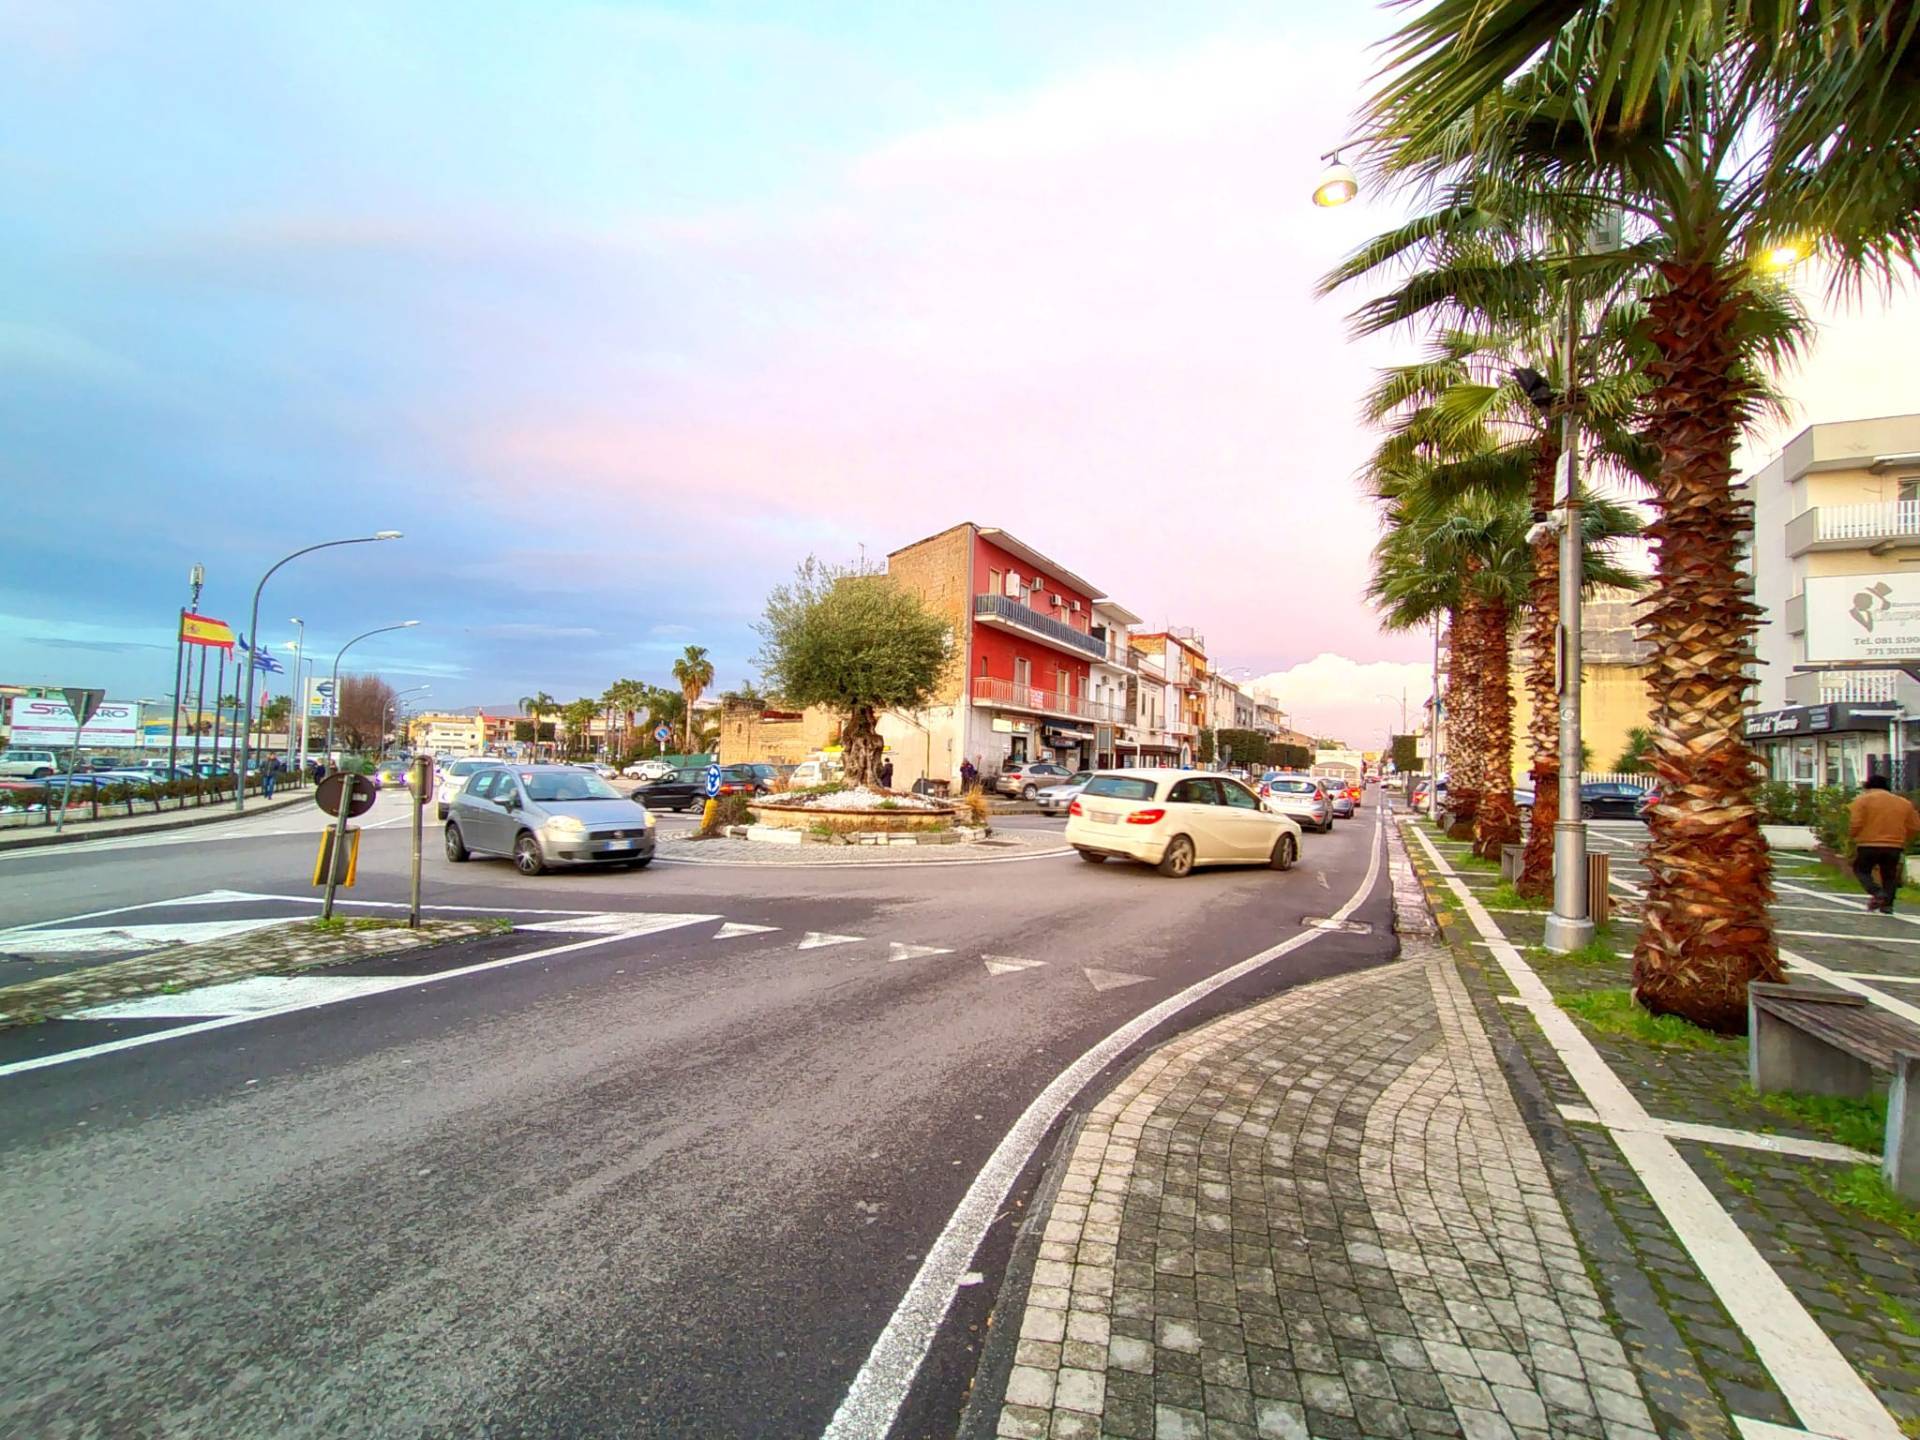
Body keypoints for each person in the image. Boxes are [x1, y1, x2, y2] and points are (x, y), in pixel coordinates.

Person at [1848, 774, 1920, 913]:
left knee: (1861, 870)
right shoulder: (1904, 803)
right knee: (1889, 874)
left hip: (1868, 844)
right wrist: (1904, 839)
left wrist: (1853, 836)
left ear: (1867, 786)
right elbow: (1915, 826)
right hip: (1894, 845)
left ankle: (1877, 892)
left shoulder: (1862, 801)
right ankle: (1887, 905)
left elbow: (1856, 823)